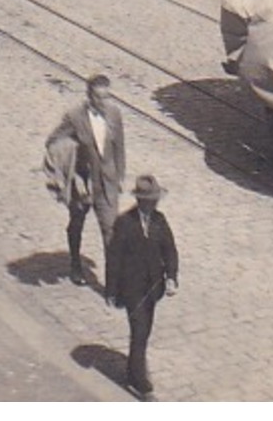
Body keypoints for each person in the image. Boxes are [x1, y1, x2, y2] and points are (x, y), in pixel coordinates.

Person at [44, 75, 126, 287]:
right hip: (82, 183)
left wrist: (119, 177)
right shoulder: (74, 117)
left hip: (107, 183)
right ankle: (75, 264)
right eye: (98, 98)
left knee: (111, 230)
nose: (103, 103)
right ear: (89, 96)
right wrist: (72, 157)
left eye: (106, 97)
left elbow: (119, 147)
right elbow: (53, 141)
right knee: (77, 223)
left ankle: (112, 284)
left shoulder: (115, 114)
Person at [104, 174, 179, 402]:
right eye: (150, 199)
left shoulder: (160, 221)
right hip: (131, 288)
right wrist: (111, 290)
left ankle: (131, 370)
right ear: (140, 200)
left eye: (155, 199)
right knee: (139, 331)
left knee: (144, 332)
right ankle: (141, 384)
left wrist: (171, 277)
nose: (154, 203)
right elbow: (113, 258)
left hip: (152, 288)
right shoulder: (125, 223)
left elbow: (170, 250)